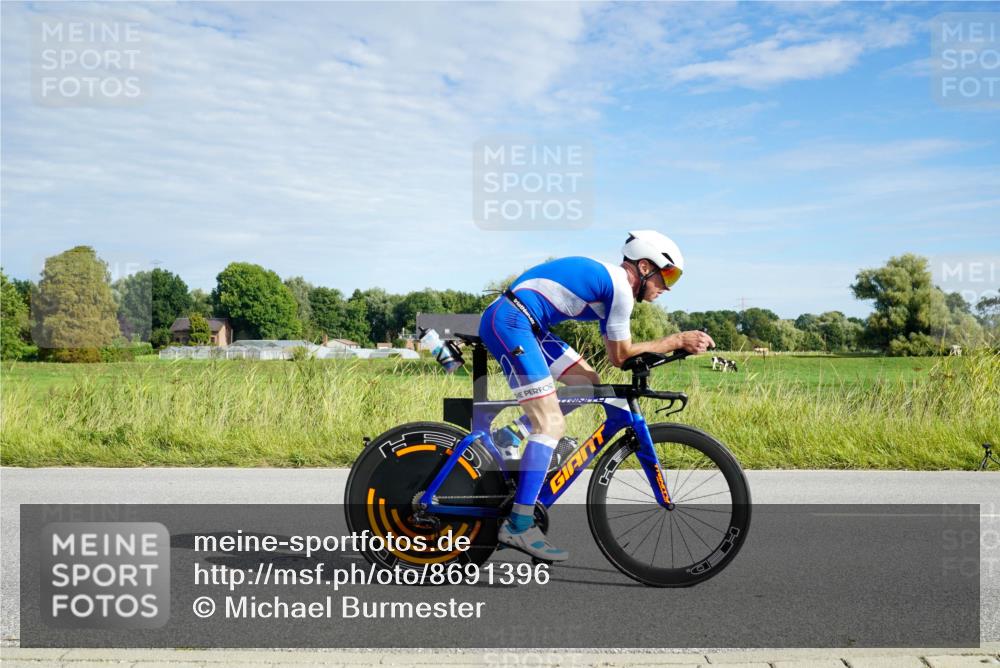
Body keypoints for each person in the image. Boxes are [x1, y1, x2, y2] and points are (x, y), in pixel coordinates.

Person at [478, 230, 715, 561]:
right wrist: (676, 340)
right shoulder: (620, 288)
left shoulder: (614, 287)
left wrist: (671, 347)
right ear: (645, 266)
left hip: (527, 323)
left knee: (588, 383)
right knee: (550, 425)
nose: (668, 287)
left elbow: (622, 357)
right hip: (512, 321)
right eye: (668, 275)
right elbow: (622, 355)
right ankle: (518, 525)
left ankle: (509, 434)